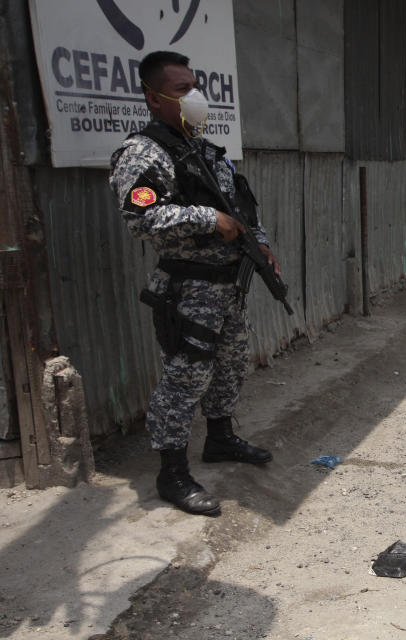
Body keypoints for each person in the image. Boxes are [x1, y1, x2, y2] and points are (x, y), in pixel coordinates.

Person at [110, 51, 280, 516]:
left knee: (230, 366)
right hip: (188, 290)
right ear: (154, 98)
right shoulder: (142, 153)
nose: (195, 96)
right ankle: (172, 472)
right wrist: (209, 218)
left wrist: (260, 244)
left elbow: (243, 210)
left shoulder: (206, 151)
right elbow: (141, 218)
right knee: (185, 379)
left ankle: (221, 439)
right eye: (183, 89)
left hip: (229, 286)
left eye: (195, 85)